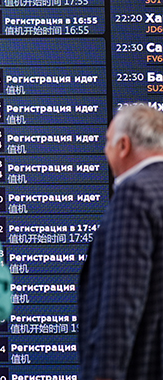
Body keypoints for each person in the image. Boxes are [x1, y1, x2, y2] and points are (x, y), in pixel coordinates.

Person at [79, 104, 163, 380]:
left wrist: (105, 373)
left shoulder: (135, 195)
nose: (105, 151)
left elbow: (121, 299)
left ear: (123, 145)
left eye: (107, 142)